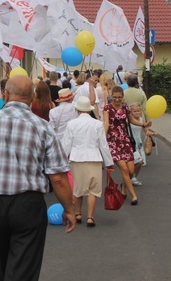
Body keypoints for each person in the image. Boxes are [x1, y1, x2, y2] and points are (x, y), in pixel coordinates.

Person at [0, 76, 76, 281]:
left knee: (1, 264)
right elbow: (58, 178)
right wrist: (69, 208)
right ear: (32, 98)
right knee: (24, 269)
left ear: (6, 95)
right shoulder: (43, 127)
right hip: (27, 205)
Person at [61, 97, 114, 227]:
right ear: (89, 110)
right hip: (94, 158)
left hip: (76, 158)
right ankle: (90, 217)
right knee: (93, 190)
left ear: (77, 109)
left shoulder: (72, 124)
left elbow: (66, 144)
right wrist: (109, 162)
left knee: (78, 188)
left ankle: (78, 214)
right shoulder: (97, 124)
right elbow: (103, 145)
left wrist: (62, 160)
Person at [103, 86, 151, 205]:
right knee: (124, 169)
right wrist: (102, 139)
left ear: (123, 97)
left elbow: (131, 120)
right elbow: (106, 124)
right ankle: (133, 195)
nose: (117, 100)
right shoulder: (107, 108)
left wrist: (143, 124)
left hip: (125, 141)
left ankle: (124, 187)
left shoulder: (125, 107)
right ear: (111, 97)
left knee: (130, 170)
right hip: (113, 142)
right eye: (114, 97)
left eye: (119, 97)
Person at [123, 74, 148, 186]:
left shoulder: (124, 93)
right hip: (138, 120)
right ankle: (135, 167)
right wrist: (146, 122)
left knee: (132, 142)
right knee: (137, 142)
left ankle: (131, 163)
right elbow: (146, 108)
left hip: (126, 122)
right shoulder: (141, 93)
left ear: (127, 82)